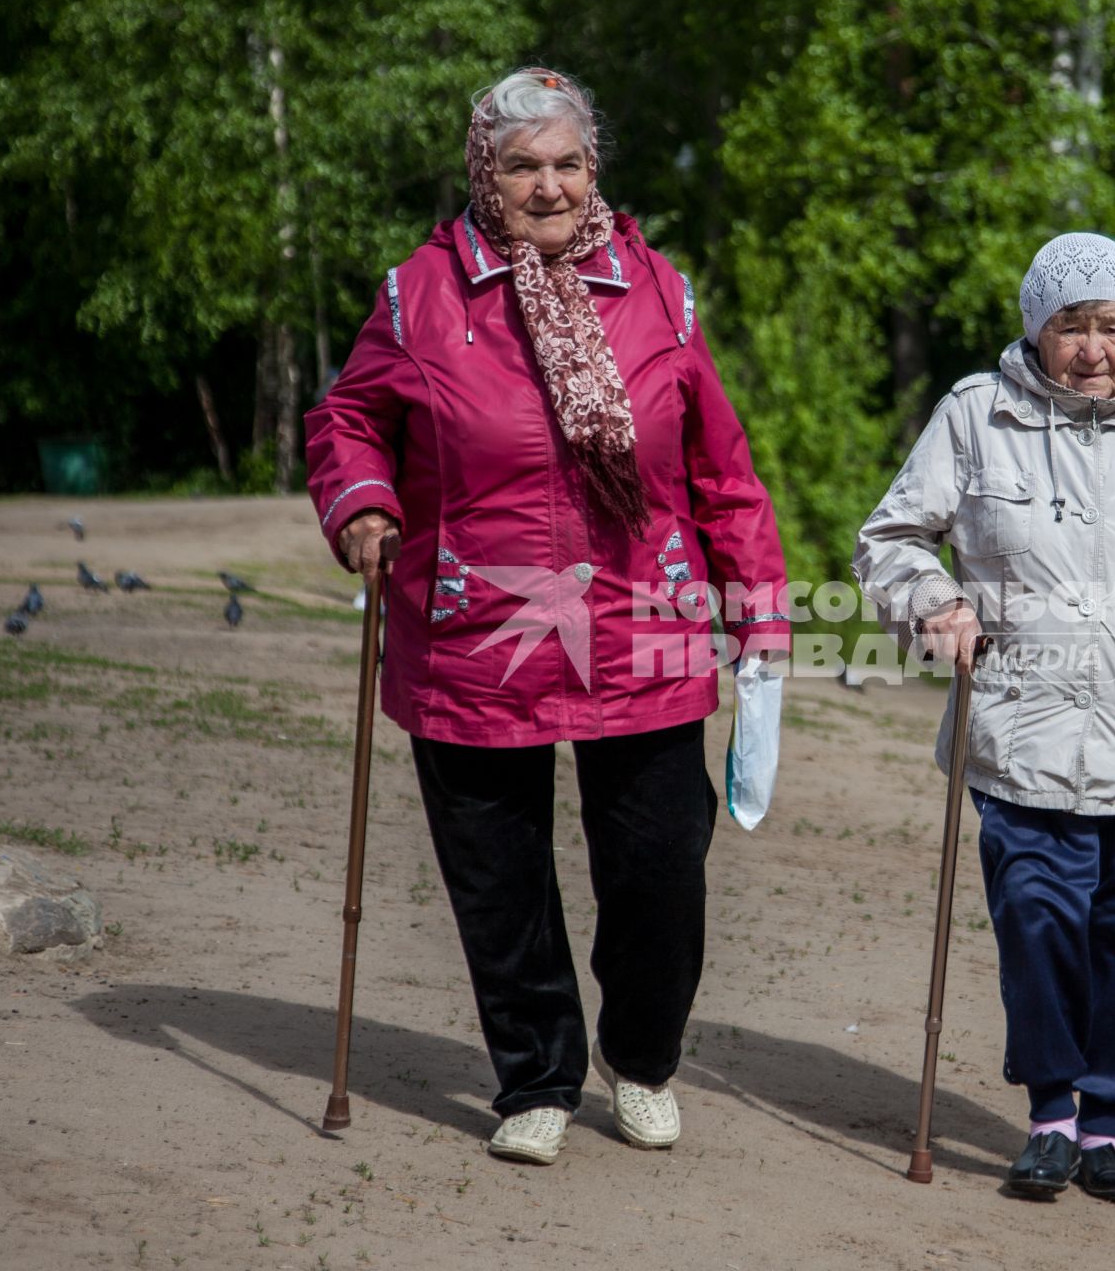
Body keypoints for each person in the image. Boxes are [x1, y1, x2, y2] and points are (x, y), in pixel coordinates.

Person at [304, 67, 788, 1166]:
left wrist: (758, 611)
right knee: (497, 871)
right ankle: (537, 1074)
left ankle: (643, 1056)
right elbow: (347, 419)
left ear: (593, 169)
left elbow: (722, 469)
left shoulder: (657, 288)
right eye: (523, 165)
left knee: (663, 863)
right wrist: (365, 503)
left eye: (567, 162)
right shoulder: (419, 294)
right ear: (485, 172)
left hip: (643, 616)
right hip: (479, 623)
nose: (549, 185)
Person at [853, 233, 1115, 1205]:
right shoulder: (974, 415)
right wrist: (934, 604)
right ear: (1035, 330)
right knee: (1037, 920)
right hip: (1018, 732)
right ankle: (1050, 1115)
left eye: (1110, 326)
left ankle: (1108, 1125)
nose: (1090, 348)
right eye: (1070, 327)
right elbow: (890, 538)